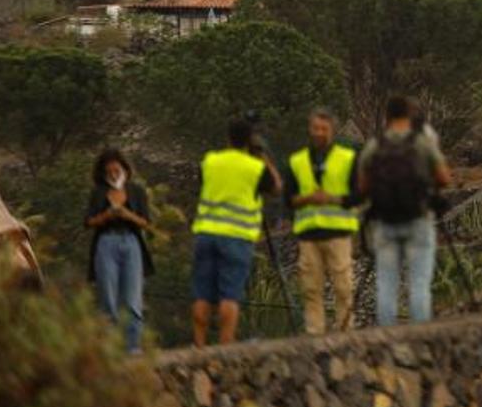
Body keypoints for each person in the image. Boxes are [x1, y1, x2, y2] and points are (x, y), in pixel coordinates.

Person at [357, 96, 451, 326]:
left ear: (386, 117)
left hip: (385, 223)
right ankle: (420, 339)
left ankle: (386, 340)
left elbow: (362, 187)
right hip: (418, 220)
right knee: (419, 284)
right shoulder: (422, 143)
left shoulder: (374, 146)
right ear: (409, 116)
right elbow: (444, 178)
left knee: (386, 285)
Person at [190, 117, 282, 347]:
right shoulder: (254, 167)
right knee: (229, 294)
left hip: (206, 233)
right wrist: (262, 155)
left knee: (202, 294)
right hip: (236, 237)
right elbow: (277, 187)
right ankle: (225, 344)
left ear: (228, 138)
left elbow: (202, 184)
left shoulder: (210, 161)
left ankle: (199, 344)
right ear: (249, 140)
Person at [285, 107, 361, 334]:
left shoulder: (347, 159)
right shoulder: (297, 161)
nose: (319, 133)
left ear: (332, 131)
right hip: (308, 234)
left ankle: (345, 330)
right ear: (310, 130)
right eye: (315, 128)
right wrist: (308, 198)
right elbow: (289, 198)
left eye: (324, 129)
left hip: (338, 233)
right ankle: (314, 332)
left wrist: (331, 198)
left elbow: (357, 194)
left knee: (344, 287)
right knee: (310, 288)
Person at [85, 148, 153, 353]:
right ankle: (109, 347)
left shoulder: (136, 191)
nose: (114, 175)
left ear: (124, 169)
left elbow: (146, 222)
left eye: (117, 170)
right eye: (109, 172)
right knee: (108, 298)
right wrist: (107, 215)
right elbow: (89, 222)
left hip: (131, 242)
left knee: (132, 299)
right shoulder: (98, 193)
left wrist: (126, 214)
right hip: (106, 242)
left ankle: (133, 347)